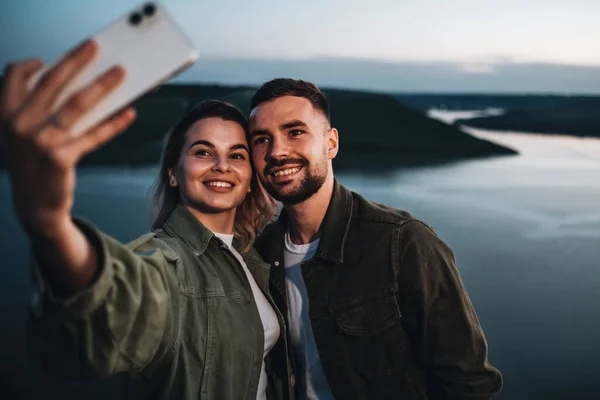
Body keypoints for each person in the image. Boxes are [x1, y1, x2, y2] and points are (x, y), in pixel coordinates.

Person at [0, 40, 291, 400]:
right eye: (203, 152)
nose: (222, 166)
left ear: (249, 180)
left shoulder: (256, 259)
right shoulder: (162, 262)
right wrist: (51, 225)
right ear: (173, 173)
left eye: (237, 155)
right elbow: (110, 311)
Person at [249, 78, 503, 399]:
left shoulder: (402, 242)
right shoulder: (259, 251)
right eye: (261, 139)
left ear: (331, 143)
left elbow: (469, 384)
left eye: (295, 132)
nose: (277, 151)